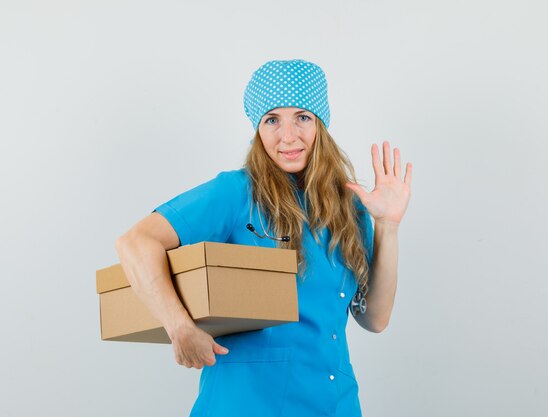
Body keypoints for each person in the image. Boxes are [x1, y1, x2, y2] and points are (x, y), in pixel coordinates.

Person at [115, 58, 412, 417]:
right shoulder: (237, 192)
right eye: (272, 120)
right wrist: (178, 326)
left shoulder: (350, 206)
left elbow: (375, 319)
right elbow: (136, 242)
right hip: (245, 405)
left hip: (333, 404)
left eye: (302, 117)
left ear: (321, 124)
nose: (288, 136)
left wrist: (388, 227)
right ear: (258, 128)